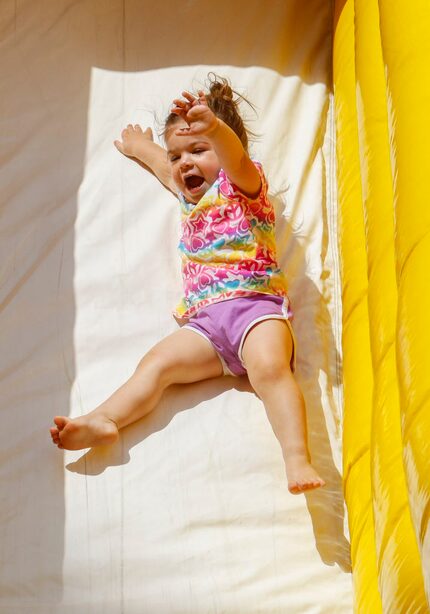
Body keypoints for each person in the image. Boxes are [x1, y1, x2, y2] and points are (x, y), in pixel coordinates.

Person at [50, 76, 325, 494]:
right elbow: (166, 169)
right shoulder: (187, 196)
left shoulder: (244, 186)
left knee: (269, 368)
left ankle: (296, 457)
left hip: (256, 311)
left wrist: (215, 129)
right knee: (156, 364)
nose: (184, 163)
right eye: (179, 155)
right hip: (206, 328)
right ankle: (105, 418)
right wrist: (145, 148)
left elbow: (234, 158)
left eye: (198, 150)